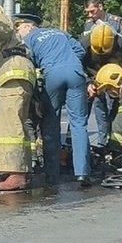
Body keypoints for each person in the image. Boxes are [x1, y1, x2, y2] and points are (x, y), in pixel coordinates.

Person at [15, 13, 91, 187]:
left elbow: (29, 65)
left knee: (51, 123)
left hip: (53, 76)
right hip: (75, 73)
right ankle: (82, 173)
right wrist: (68, 63)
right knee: (79, 123)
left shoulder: (28, 40)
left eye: (18, 28)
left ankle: (51, 173)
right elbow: (79, 50)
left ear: (28, 26)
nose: (18, 32)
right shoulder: (58, 32)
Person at [0, 4, 37, 191]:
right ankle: (19, 169)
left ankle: (16, 174)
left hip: (14, 72)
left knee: (9, 124)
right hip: (16, 73)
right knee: (16, 121)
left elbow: (1, 28)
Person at [78, 22, 122, 147]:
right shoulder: (83, 43)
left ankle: (110, 143)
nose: (101, 55)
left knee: (116, 112)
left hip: (112, 79)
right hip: (90, 75)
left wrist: (119, 87)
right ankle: (74, 144)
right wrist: (87, 82)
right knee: (81, 109)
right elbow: (76, 66)